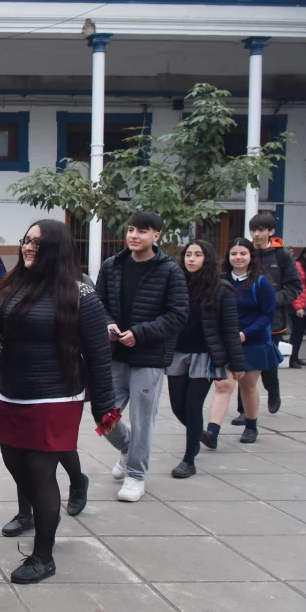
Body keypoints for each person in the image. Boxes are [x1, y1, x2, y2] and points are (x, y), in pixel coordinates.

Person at [0, 219, 116, 583]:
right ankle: (40, 511)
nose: (28, 247)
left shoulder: (80, 294)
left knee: (40, 473)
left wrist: (104, 407)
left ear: (56, 250)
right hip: (13, 392)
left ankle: (43, 556)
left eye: (37, 243)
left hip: (57, 395)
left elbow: (98, 355)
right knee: (15, 463)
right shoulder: (12, 284)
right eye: (26, 240)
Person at [95, 211, 189, 501]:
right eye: (131, 229)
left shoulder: (170, 271)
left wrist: (140, 332)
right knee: (103, 414)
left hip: (148, 357)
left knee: (142, 420)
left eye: (143, 231)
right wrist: (108, 324)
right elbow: (98, 303)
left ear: (156, 236)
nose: (134, 235)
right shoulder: (112, 265)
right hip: (115, 355)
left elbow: (177, 315)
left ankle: (136, 476)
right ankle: (127, 448)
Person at [165, 241, 245, 474]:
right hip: (177, 353)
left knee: (193, 407)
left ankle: (189, 460)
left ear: (207, 259)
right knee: (178, 407)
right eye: (188, 254)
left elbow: (230, 329)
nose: (191, 259)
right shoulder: (175, 285)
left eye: (197, 255)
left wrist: (236, 363)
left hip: (204, 356)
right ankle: (198, 433)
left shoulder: (221, 289)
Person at [231, 213, 299, 423]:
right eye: (253, 230)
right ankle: (244, 411)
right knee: (242, 365)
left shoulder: (282, 256)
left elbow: (294, 287)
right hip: (243, 320)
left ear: (271, 232)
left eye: (261, 230)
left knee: (267, 362)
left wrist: (269, 300)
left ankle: (273, 390)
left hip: (271, 320)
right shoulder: (245, 252)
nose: (256, 234)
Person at [213, 237, 281, 444]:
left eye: (243, 253)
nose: (238, 257)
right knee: (223, 385)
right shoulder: (221, 281)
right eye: (234, 253)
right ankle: (212, 432)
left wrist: (246, 333)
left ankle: (251, 426)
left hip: (253, 342)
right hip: (226, 342)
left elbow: (267, 315)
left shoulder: (261, 282)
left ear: (251, 256)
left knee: (248, 386)